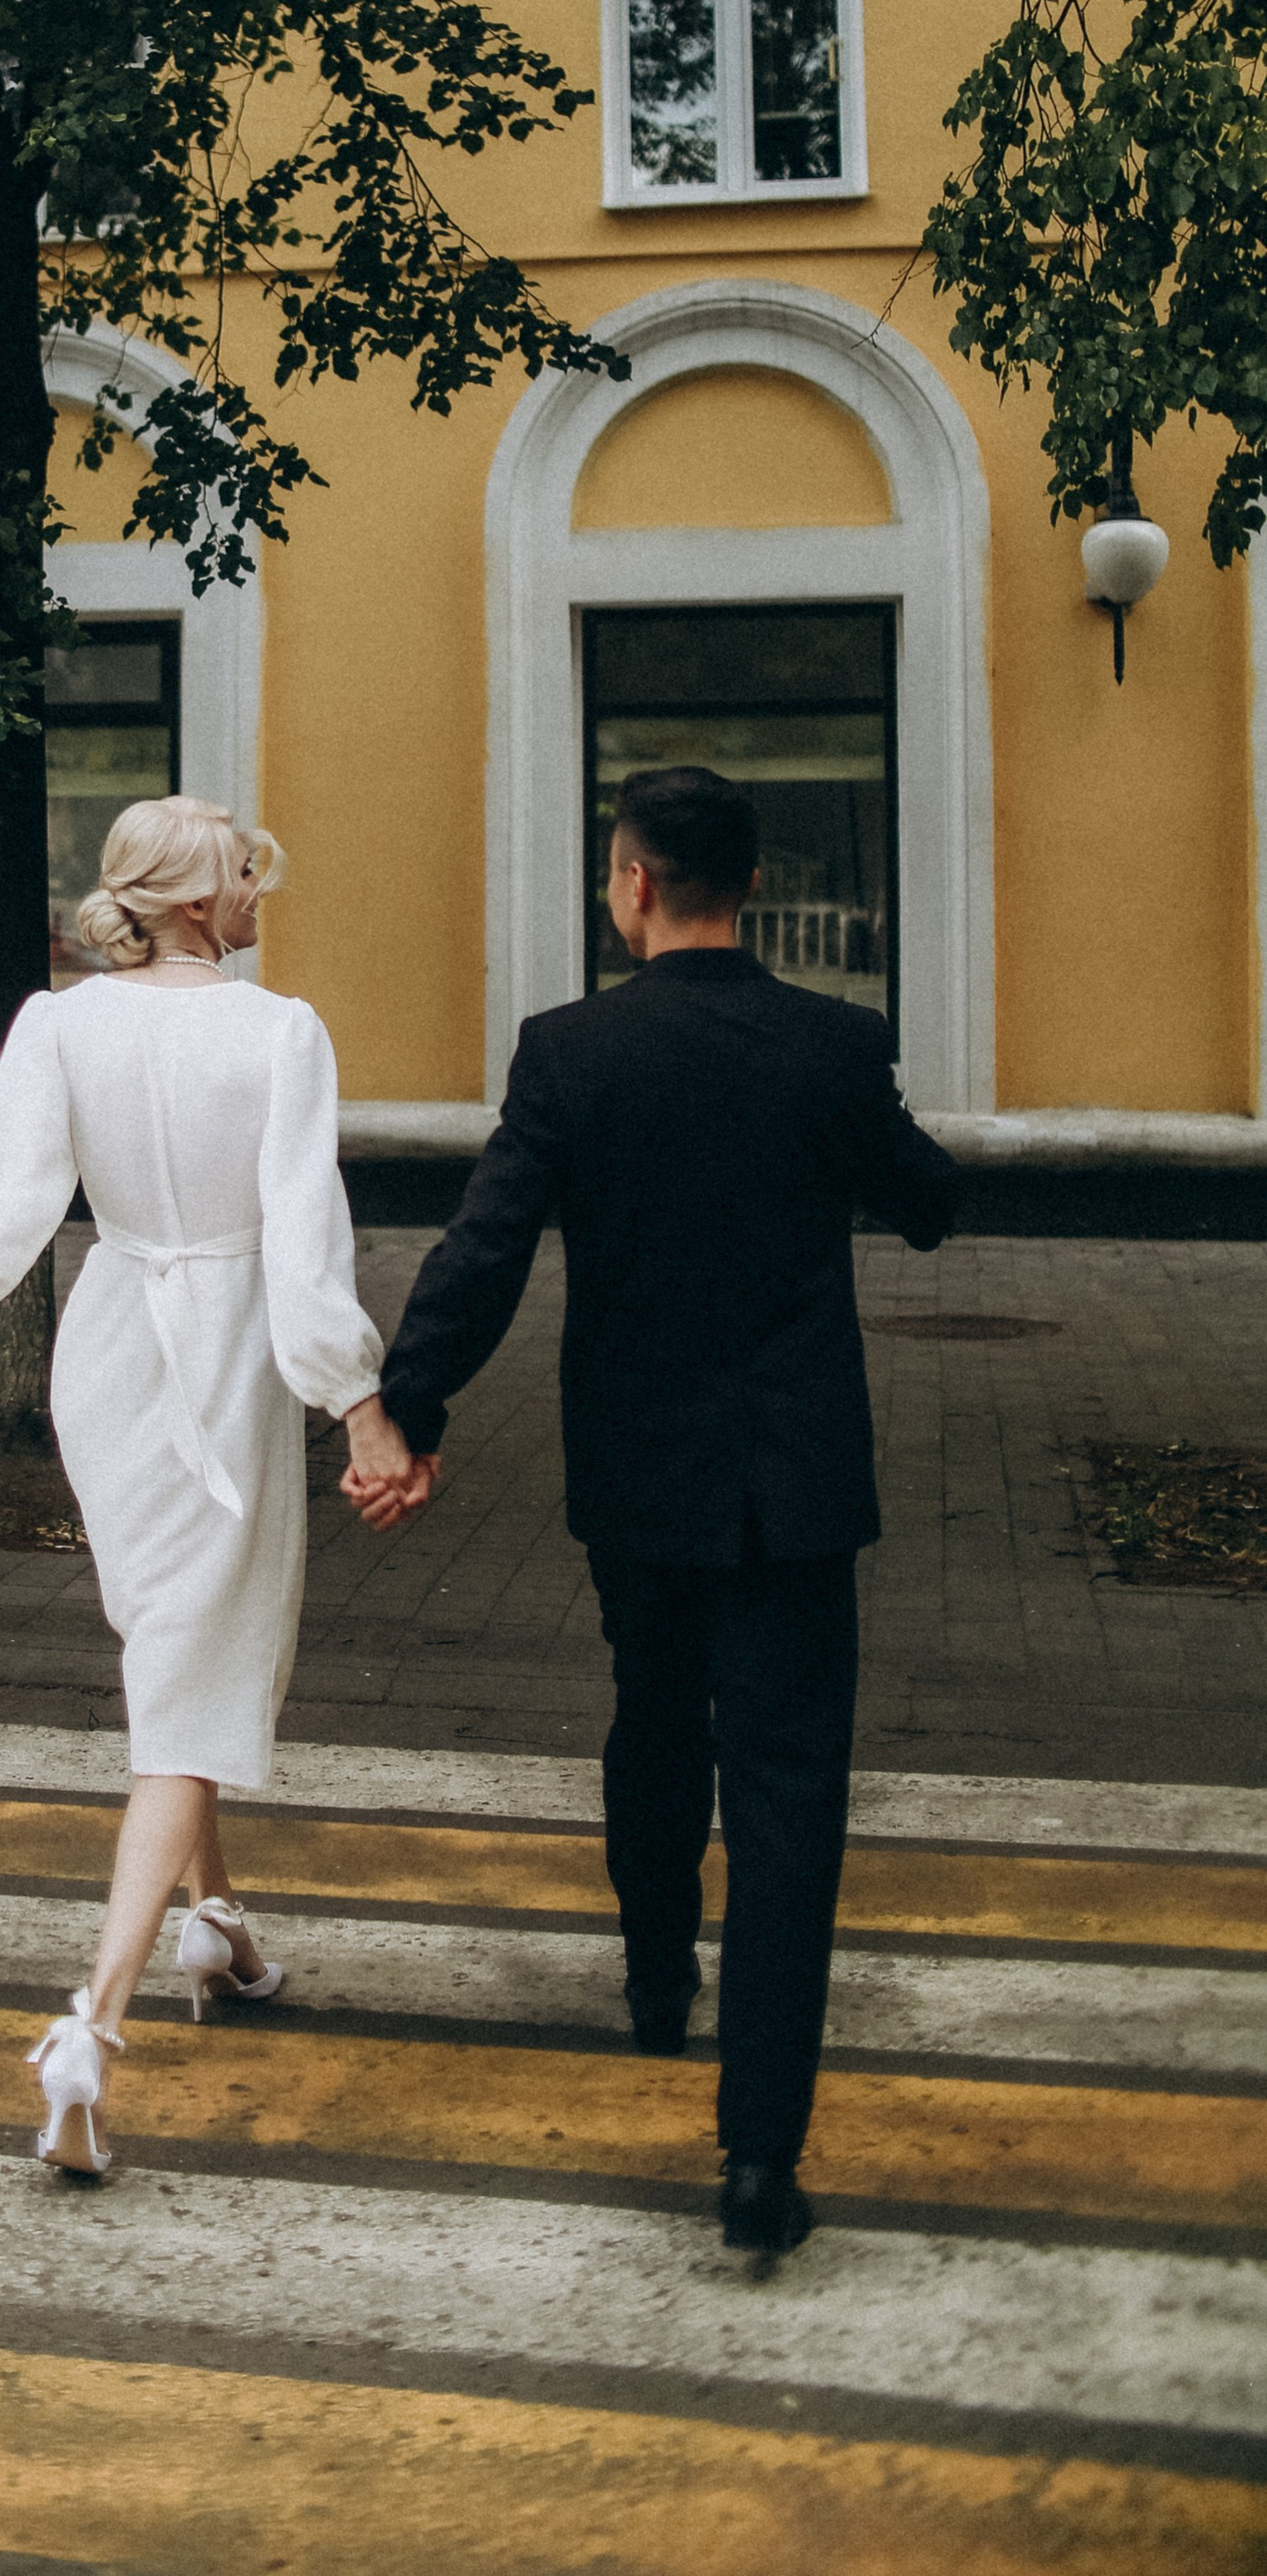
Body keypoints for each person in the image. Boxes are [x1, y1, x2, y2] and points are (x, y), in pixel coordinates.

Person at [366, 761, 958, 2256]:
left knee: (654, 1710)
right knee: (789, 1800)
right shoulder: (834, 1042)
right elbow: (934, 1202)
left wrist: (402, 1410)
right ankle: (761, 2159)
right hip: (803, 1488)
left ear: (629, 883)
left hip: (639, 1478)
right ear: (750, 888)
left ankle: (652, 1977)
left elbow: (485, 1250)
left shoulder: (570, 1053)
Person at [0, 796, 404, 2182]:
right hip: (223, 1352)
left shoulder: (58, 1022)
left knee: (170, 1645)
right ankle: (91, 2025)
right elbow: (304, 1243)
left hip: (109, 1345)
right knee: (191, 1681)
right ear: (200, 902)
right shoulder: (281, 1032)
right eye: (247, 879)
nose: (264, 897)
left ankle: (222, 1926)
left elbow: (2, 1197)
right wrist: (360, 1401)